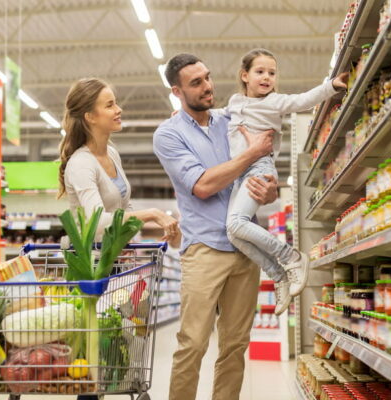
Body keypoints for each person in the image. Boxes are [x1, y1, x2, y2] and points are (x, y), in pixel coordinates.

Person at [154, 53, 279, 400]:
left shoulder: (231, 119)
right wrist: (250, 155)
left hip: (245, 248)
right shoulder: (168, 135)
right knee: (192, 343)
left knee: (235, 344)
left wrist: (269, 190)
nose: (208, 86)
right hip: (204, 249)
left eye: (207, 77)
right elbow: (204, 185)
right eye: (196, 83)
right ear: (178, 92)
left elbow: (263, 174)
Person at [225, 48, 349, 314]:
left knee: (237, 223)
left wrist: (331, 86)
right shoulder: (235, 101)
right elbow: (219, 115)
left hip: (259, 167)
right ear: (244, 75)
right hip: (239, 171)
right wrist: (185, 116)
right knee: (232, 233)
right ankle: (278, 275)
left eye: (272, 72)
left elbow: (302, 100)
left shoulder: (275, 102)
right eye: (260, 72)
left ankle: (290, 256)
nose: (267, 77)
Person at [58, 77, 180, 246]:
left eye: (115, 103)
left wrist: (127, 240)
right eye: (110, 105)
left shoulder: (112, 154)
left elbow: (124, 207)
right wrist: (152, 214)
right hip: (90, 264)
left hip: (114, 258)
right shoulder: (82, 164)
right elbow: (98, 222)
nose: (118, 109)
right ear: (90, 117)